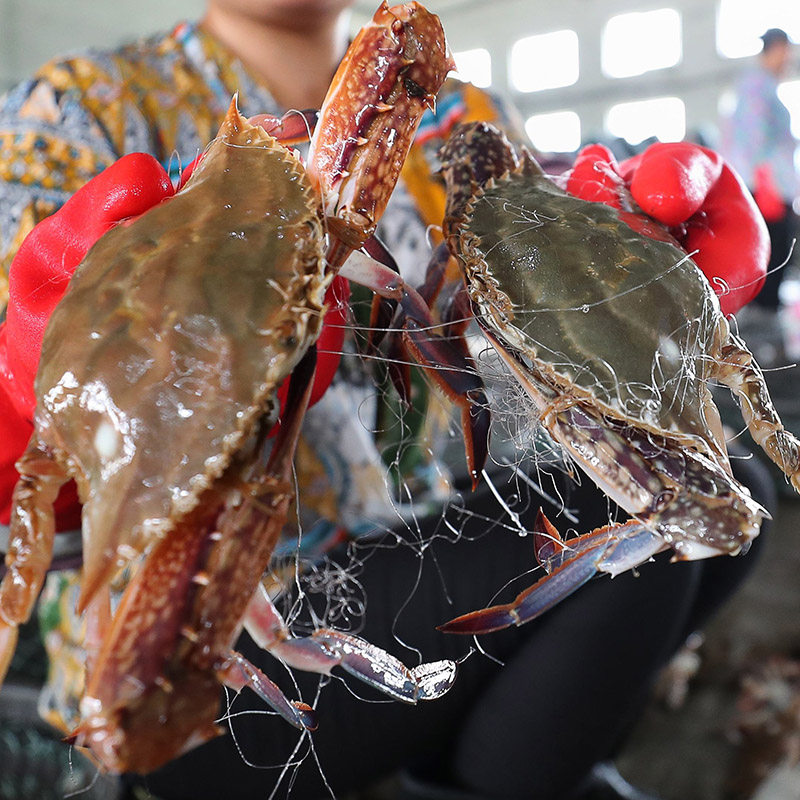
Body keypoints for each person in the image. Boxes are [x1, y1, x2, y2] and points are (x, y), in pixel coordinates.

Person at [0, 2, 778, 799]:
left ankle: (485, 769)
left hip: (414, 537)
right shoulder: (76, 111)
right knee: (632, 525)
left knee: (725, 496)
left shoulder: (455, 111)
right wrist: (29, 398)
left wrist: (642, 275)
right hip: (195, 635)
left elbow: (532, 295)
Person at [722, 27, 798, 313]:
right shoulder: (756, 86)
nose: (788, 59)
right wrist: (767, 184)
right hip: (766, 184)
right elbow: (753, 139)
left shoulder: (763, 85)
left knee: (776, 250)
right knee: (772, 250)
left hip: (770, 182)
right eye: (786, 52)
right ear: (776, 48)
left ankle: (766, 312)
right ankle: (763, 318)